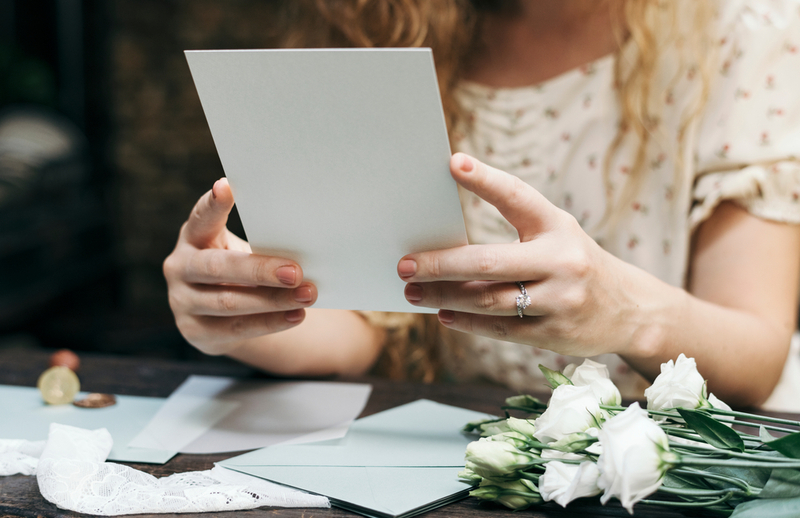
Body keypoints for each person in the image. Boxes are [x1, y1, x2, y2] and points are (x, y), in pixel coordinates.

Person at [163, 0, 800, 410]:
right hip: (465, 451)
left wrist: (623, 312)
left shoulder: (744, 38)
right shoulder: (380, 21)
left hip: (674, 464)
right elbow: (369, 323)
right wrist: (240, 312)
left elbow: (757, 362)